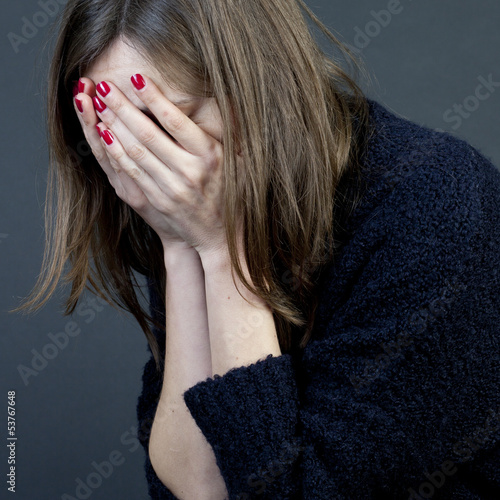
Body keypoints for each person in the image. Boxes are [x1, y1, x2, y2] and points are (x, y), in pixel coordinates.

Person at [12, 0, 500, 498]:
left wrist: (224, 252)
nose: (145, 161)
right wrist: (182, 246)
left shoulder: (437, 205)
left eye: (170, 120)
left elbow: (285, 491)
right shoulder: (199, 203)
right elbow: (200, 486)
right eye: (119, 132)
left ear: (258, 85)